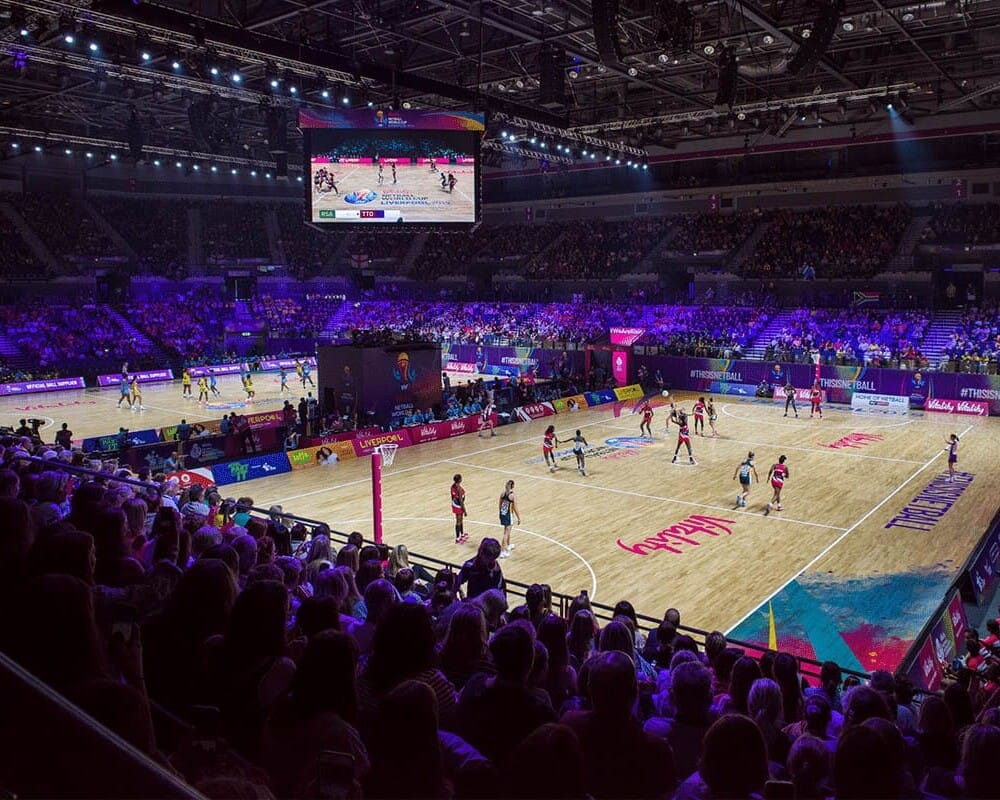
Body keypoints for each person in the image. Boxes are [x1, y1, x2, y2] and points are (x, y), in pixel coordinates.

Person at [498, 480, 520, 558]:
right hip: (508, 515)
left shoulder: (502, 494)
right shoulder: (512, 496)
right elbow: (515, 508)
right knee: (506, 533)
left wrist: (500, 514)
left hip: (502, 514)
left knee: (507, 531)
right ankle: (502, 551)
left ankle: (508, 545)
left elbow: (499, 505)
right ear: (513, 486)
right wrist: (518, 517)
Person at [451, 474, 468, 545]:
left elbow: (452, 496)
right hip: (459, 505)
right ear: (460, 480)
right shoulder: (459, 489)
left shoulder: (453, 486)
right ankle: (458, 538)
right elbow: (461, 501)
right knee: (458, 521)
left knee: (460, 520)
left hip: (455, 504)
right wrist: (464, 510)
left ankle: (462, 534)